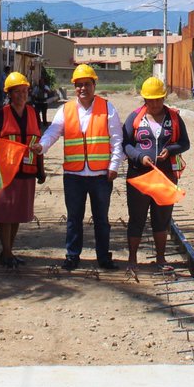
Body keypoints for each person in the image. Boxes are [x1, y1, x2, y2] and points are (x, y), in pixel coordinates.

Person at [33, 64, 123, 270]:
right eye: (79, 85)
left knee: (102, 219)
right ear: (75, 87)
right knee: (74, 218)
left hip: (101, 175)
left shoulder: (107, 108)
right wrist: (41, 146)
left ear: (94, 85)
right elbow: (53, 131)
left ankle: (103, 257)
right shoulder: (66, 109)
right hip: (74, 175)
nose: (83, 88)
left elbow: (116, 140)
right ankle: (72, 255)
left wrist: (114, 165)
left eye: (87, 84)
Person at [122, 77, 191, 270]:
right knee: (137, 218)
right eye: (150, 100)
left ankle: (161, 259)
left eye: (158, 99)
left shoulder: (174, 118)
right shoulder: (135, 117)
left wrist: (171, 150)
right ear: (144, 99)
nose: (154, 104)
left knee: (161, 218)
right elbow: (125, 144)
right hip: (139, 177)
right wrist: (138, 157)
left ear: (164, 97)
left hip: (164, 176)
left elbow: (185, 143)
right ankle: (132, 259)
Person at [0, 72, 42, 268]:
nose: (21, 95)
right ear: (9, 94)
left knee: (17, 213)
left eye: (24, 91)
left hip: (26, 172)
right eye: (16, 92)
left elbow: (37, 140)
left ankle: (8, 251)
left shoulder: (33, 113)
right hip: (5, 172)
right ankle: (7, 253)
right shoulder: (2, 113)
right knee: (4, 213)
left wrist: (40, 164)